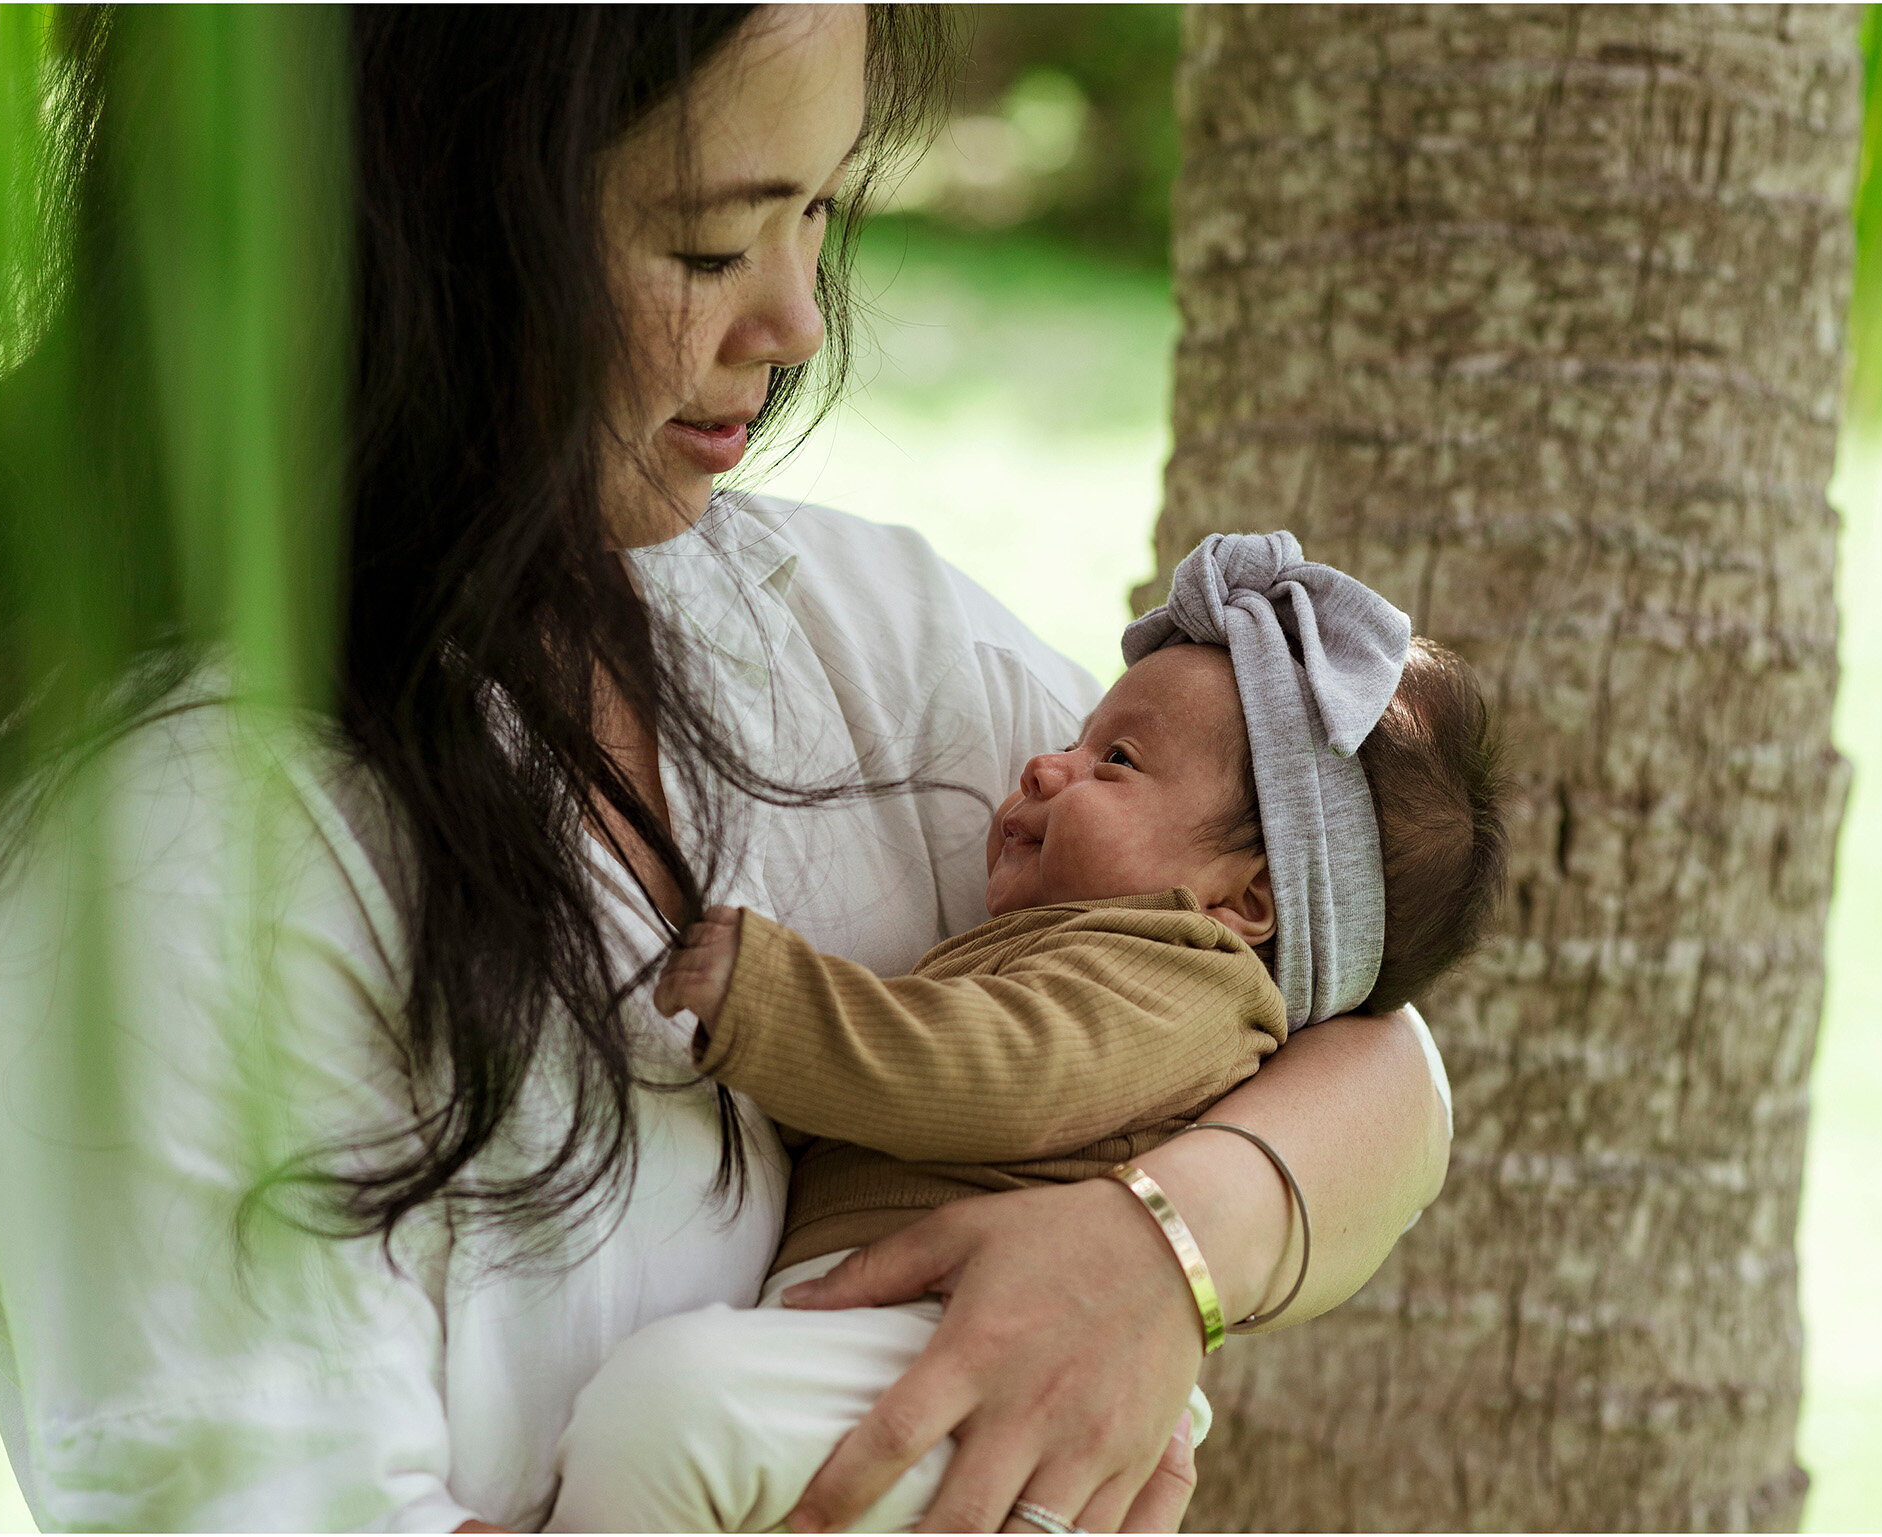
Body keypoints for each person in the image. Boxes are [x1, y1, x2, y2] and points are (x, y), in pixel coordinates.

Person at [0, 8, 1454, 1532]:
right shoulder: (173, 865)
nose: (794, 318)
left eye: (820, 212)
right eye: (712, 239)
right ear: (404, 228)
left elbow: (1371, 1037)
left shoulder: (840, 630)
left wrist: (1165, 1251)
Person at [548, 536, 1508, 1532]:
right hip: (898, 1340)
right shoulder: (1077, 946)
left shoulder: (1177, 981)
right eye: (1079, 737)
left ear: (1247, 898)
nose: (1046, 764)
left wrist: (772, 1002)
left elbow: (993, 1072)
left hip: (987, 1357)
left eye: (1114, 761)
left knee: (671, 1412)